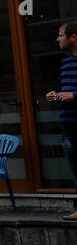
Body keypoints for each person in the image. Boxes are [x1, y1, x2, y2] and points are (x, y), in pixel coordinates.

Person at [45, 21, 77, 222]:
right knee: (75, 168)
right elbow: (62, 88)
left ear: (73, 37)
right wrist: (54, 95)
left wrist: (73, 95)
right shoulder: (65, 63)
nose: (58, 39)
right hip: (68, 123)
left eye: (61, 35)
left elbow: (72, 92)